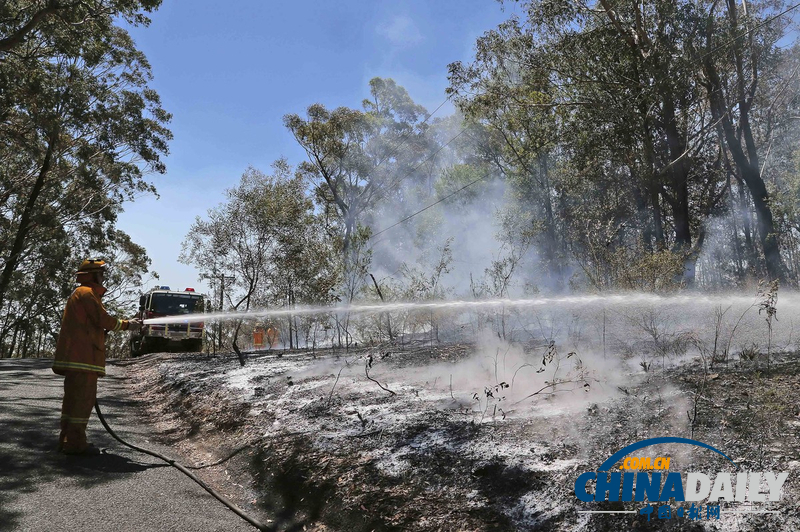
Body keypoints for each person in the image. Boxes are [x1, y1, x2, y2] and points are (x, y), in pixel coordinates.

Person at [52, 259, 142, 455]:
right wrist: (128, 324)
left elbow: (90, 324)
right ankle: (75, 444)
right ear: (92, 275)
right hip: (84, 359)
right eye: (101, 274)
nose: (103, 277)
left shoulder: (82, 294)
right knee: (82, 403)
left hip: (78, 358)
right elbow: (103, 320)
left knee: (73, 402)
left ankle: (67, 440)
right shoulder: (86, 293)